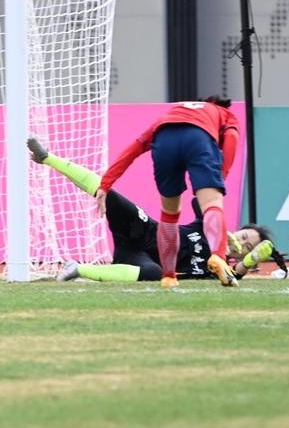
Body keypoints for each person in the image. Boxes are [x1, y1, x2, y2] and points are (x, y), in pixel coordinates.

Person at [26, 137, 286, 282]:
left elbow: (234, 277)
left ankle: (78, 269)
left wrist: (249, 262)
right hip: (144, 229)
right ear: (238, 230)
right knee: (110, 195)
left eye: (247, 247)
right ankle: (47, 157)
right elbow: (200, 203)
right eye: (243, 236)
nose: (241, 243)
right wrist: (219, 228)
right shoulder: (208, 227)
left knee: (154, 273)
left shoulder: (217, 268)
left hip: (139, 258)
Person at [95, 96, 241, 288]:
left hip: (164, 140)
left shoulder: (172, 115)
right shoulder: (225, 114)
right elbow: (232, 138)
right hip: (199, 138)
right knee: (212, 204)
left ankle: (169, 276)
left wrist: (105, 183)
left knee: (170, 214)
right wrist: (222, 175)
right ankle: (219, 257)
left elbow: (133, 149)